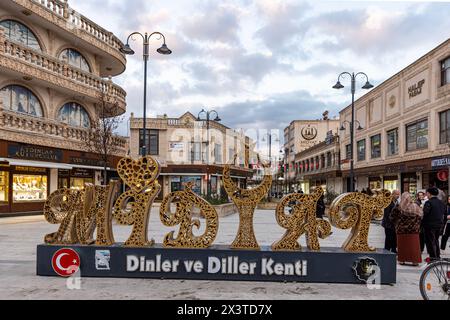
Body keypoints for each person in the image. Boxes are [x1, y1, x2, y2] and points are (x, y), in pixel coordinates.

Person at [390, 192, 423, 265]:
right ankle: (415, 261)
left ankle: (402, 260)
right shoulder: (415, 206)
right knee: (414, 246)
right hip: (414, 231)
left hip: (401, 230)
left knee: (402, 246)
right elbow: (420, 217)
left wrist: (397, 223)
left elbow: (392, 217)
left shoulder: (399, 206)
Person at [422, 187, 446, 260]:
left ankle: (433, 257)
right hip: (439, 225)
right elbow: (443, 213)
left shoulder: (428, 202)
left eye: (427, 193)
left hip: (429, 225)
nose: (426, 195)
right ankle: (437, 255)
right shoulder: (441, 202)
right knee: (436, 240)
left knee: (430, 241)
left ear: (429, 193)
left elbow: (425, 213)